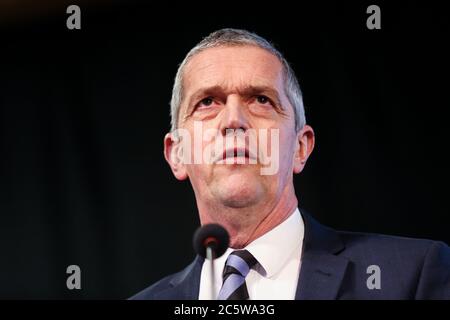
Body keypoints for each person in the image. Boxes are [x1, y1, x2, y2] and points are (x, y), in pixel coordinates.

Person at [131, 28, 450, 300]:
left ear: (301, 147)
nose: (233, 120)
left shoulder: (411, 276)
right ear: (177, 154)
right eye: (207, 102)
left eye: (260, 99)